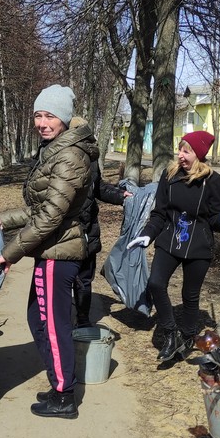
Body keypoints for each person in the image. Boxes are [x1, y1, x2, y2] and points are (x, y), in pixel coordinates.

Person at [0, 85, 98, 419]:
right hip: (53, 249)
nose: (42, 122)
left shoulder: (69, 156)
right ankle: (59, 383)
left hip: (58, 253)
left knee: (52, 325)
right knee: (39, 318)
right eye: (38, 115)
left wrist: (10, 253)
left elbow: (50, 216)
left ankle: (63, 396)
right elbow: (41, 208)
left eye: (49, 115)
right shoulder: (57, 149)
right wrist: (2, 219)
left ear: (63, 118)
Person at [128, 130, 220, 363]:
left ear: (199, 154)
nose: (180, 155)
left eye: (186, 151)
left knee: (190, 295)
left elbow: (214, 219)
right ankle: (170, 333)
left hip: (198, 245)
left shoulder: (213, 181)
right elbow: (159, 213)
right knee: (156, 283)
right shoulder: (170, 175)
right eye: (180, 149)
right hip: (170, 239)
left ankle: (187, 337)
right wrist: (147, 235)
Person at [71, 118, 131, 327]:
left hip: (88, 229)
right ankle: (59, 323)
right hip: (63, 232)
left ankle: (83, 320)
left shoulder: (92, 159)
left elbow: (99, 189)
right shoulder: (59, 158)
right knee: (62, 281)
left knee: (84, 279)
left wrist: (122, 195)